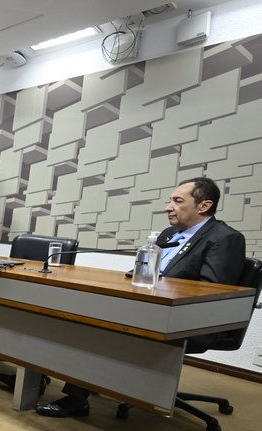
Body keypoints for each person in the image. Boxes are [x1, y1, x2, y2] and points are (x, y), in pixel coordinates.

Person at [36, 177, 246, 419]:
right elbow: (146, 271)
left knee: (100, 328)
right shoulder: (169, 233)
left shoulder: (224, 238)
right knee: (72, 314)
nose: (168, 207)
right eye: (170, 201)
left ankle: (76, 400)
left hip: (188, 320)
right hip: (150, 309)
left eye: (177, 201)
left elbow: (211, 292)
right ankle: (47, 377)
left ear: (204, 206)